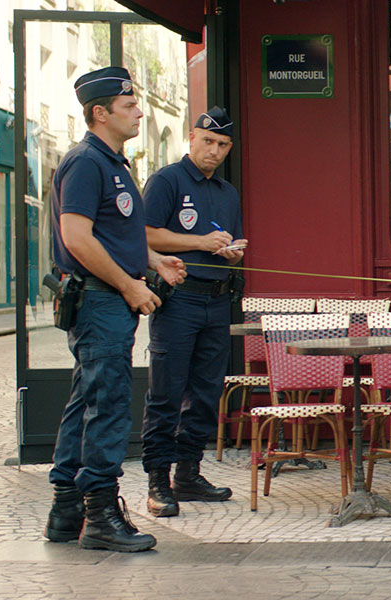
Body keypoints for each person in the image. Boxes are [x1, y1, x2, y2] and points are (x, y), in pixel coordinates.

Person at [45, 67, 187, 552]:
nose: (139, 112)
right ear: (100, 113)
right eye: (128, 107)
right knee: (106, 406)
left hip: (105, 299)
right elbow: (76, 238)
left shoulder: (113, 164)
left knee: (86, 400)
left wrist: (152, 260)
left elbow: (111, 233)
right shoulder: (86, 162)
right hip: (100, 301)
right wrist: (129, 285)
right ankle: (102, 516)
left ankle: (66, 510)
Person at [140, 106, 245, 518]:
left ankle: (188, 473)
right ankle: (157, 482)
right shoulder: (167, 180)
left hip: (218, 298)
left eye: (222, 145)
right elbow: (145, 234)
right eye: (208, 142)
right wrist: (201, 242)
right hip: (178, 298)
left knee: (205, 392)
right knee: (166, 392)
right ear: (192, 138)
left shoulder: (227, 192)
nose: (214, 151)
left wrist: (233, 252)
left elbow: (228, 246)